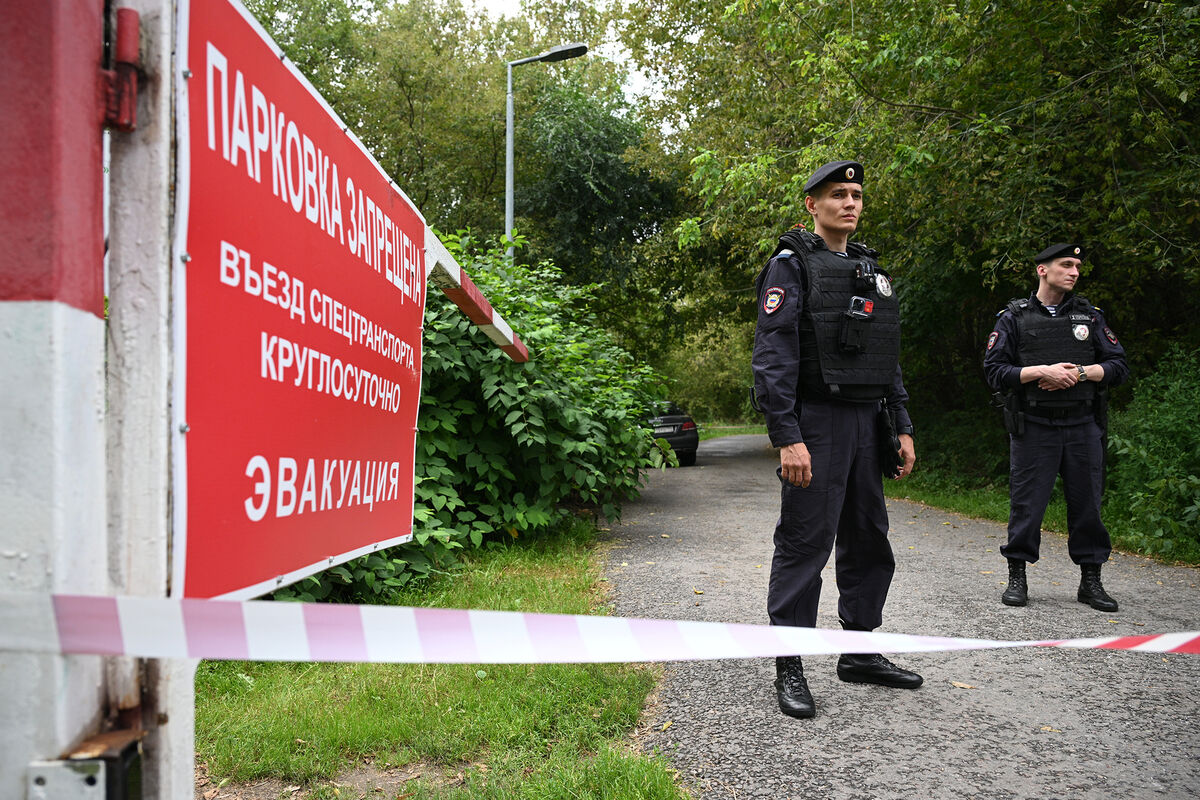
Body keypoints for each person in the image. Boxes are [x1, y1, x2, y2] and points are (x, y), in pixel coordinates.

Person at [752, 160, 921, 720]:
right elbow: (773, 355)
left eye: (855, 195)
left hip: (867, 422)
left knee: (869, 539)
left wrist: (901, 424)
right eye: (836, 195)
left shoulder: (871, 270)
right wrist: (787, 435)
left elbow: (886, 353)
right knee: (805, 543)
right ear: (812, 205)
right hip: (816, 422)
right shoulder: (791, 267)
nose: (849, 203)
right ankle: (790, 663)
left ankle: (860, 651)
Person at [984, 243, 1129, 611]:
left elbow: (1118, 366)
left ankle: (1091, 582)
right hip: (1034, 427)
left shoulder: (1089, 317)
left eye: (1078, 266)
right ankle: (1017, 577)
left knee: (1088, 506)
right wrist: (1039, 372)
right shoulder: (1013, 317)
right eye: (1066, 265)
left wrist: (1081, 373)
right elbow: (994, 371)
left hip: (1083, 426)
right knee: (1027, 506)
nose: (1075, 272)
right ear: (1042, 270)